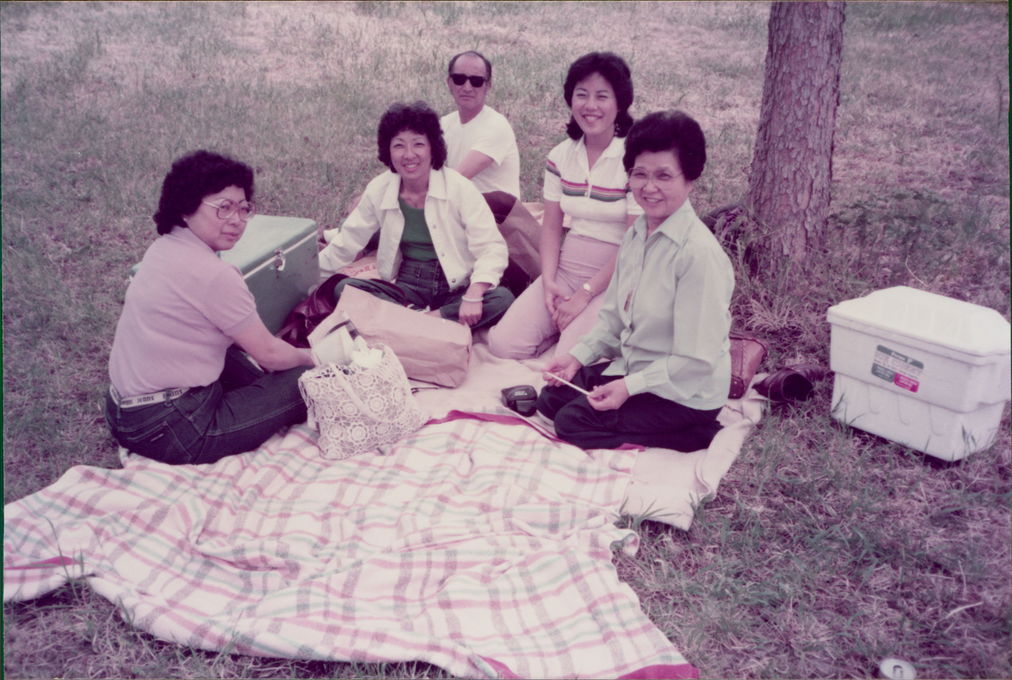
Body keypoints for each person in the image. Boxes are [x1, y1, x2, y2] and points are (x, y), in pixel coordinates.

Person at [536, 110, 735, 452]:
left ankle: (698, 433)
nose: (649, 187)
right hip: (639, 368)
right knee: (552, 397)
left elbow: (695, 361)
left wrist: (628, 387)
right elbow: (613, 318)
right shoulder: (635, 235)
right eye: (639, 174)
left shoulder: (698, 256)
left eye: (664, 176)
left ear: (690, 178)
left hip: (685, 393)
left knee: (571, 423)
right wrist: (577, 358)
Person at [105, 150, 316, 465]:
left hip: (121, 413)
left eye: (243, 209)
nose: (236, 220)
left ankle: (257, 399)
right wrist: (314, 357)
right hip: (173, 429)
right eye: (223, 208)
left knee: (232, 349)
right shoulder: (216, 275)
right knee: (303, 378)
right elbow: (268, 353)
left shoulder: (161, 249)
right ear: (187, 207)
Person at [487, 52, 642, 360]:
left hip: (612, 277)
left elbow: (633, 242)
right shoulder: (560, 156)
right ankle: (560, 329)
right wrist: (548, 281)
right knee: (502, 346)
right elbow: (551, 228)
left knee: (568, 360)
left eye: (602, 96)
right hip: (566, 268)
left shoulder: (633, 158)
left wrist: (585, 294)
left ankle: (595, 333)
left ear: (620, 103)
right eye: (581, 95)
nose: (590, 106)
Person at [318, 101, 513, 329]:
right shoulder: (379, 189)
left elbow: (491, 247)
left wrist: (474, 294)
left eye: (418, 144)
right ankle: (427, 323)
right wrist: (303, 282)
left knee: (502, 299)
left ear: (433, 148)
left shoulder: (459, 188)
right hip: (407, 289)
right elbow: (346, 244)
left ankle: (417, 322)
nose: (409, 155)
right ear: (388, 151)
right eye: (399, 146)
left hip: (454, 289)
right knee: (342, 289)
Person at [441, 50, 540, 293]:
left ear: (488, 86)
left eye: (476, 81)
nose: (467, 86)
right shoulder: (444, 124)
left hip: (495, 220)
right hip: (455, 213)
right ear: (449, 82)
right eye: (459, 78)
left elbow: (457, 179)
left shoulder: (496, 126)